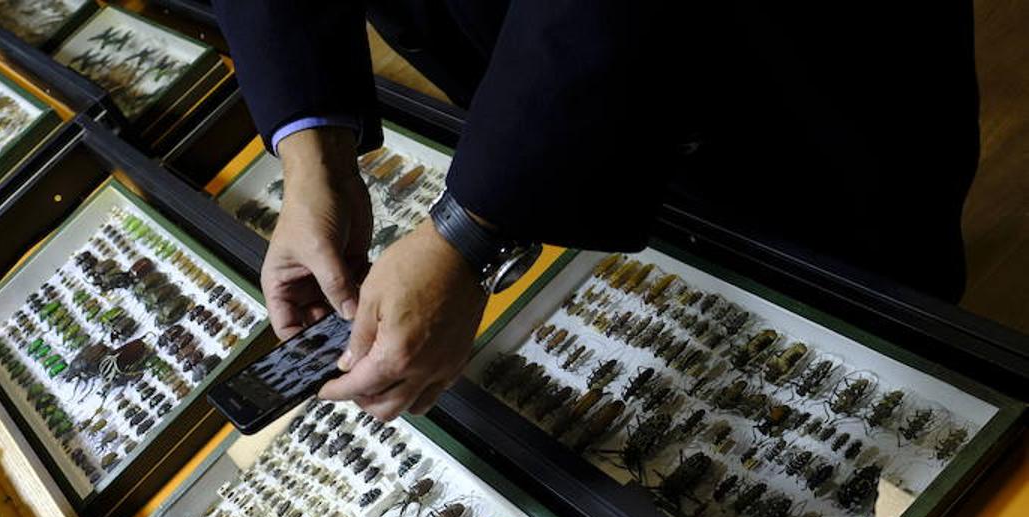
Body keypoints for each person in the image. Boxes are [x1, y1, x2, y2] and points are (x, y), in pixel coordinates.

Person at [210, 1, 981, 421]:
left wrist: (471, 231)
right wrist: (312, 153)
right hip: (529, 63)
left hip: (789, 63)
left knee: (878, 305)